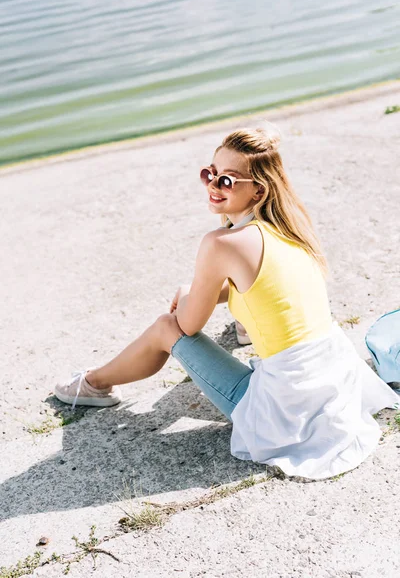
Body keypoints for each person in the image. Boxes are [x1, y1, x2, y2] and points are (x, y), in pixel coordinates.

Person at [55, 122, 400, 480]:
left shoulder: (222, 243)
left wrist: (189, 291)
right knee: (232, 309)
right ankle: (244, 328)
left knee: (164, 328)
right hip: (334, 384)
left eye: (227, 181)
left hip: (287, 411)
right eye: (210, 173)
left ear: (258, 191)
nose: (213, 186)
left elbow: (185, 326)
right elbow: (269, 287)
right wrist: (198, 289)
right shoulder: (290, 226)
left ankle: (94, 384)